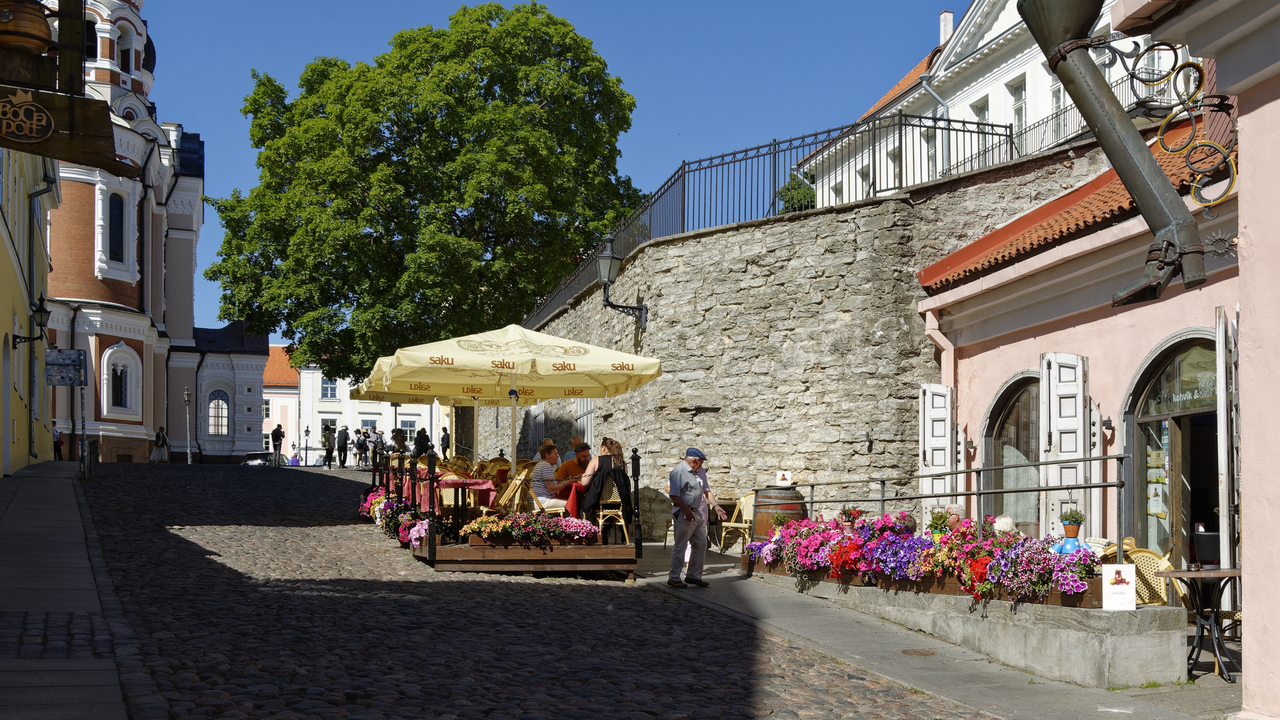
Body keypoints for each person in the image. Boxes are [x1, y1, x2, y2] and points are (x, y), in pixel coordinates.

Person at [668, 448, 728, 589]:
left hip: (697, 513)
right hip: (684, 513)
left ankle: (693, 576)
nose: (701, 467)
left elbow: (706, 490)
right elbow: (673, 495)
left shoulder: (697, 471)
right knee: (681, 545)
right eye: (700, 463)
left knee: (701, 543)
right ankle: (674, 577)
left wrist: (715, 506)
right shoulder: (678, 472)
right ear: (694, 461)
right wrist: (686, 510)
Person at [530, 441, 573, 510]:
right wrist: (568, 482)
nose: (557, 456)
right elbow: (552, 489)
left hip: (536, 501)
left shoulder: (540, 465)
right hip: (542, 502)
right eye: (555, 454)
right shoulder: (546, 466)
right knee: (573, 504)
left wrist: (568, 480)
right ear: (547, 455)